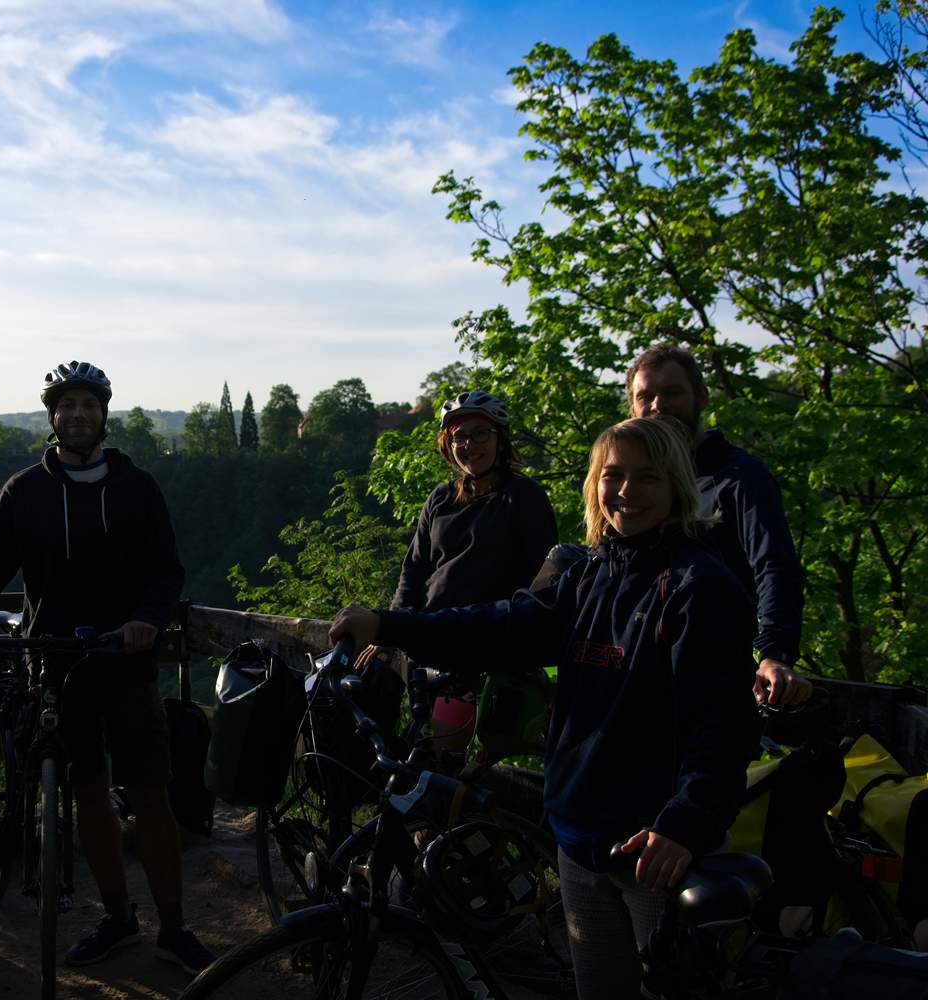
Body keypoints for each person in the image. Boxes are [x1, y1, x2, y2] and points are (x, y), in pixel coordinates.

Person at [329, 417, 759, 999]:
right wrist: (388, 624)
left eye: (646, 477)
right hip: (579, 840)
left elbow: (724, 723)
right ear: (594, 485)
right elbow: (499, 626)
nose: (626, 491)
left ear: (677, 485)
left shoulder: (698, 585)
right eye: (612, 476)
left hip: (654, 853)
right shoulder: (589, 575)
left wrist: (686, 823)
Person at [0, 360, 213, 975]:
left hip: (126, 657)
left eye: (90, 404)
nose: (79, 414)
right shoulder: (25, 491)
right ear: (53, 417)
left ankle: (174, 925)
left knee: (149, 793)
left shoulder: (138, 488)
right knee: (87, 794)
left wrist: (147, 619)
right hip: (56, 663)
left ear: (103, 414)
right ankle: (117, 918)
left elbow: (166, 570)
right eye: (68, 405)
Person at [356, 390, 558, 750]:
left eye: (481, 434)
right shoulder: (441, 498)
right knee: (376, 731)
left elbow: (539, 583)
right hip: (429, 637)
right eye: (459, 436)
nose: (469, 445)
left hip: (478, 648)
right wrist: (392, 627)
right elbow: (415, 568)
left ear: (500, 438)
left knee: (449, 757)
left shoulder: (524, 497)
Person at [626, 344, 811, 707]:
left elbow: (774, 565)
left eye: (672, 392)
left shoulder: (739, 476)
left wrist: (774, 653)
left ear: (702, 397)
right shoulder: (631, 488)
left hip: (714, 675)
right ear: (632, 408)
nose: (657, 405)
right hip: (641, 672)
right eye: (645, 396)